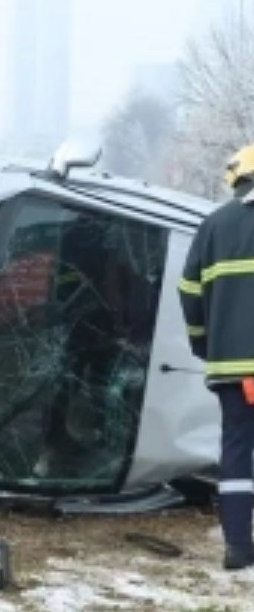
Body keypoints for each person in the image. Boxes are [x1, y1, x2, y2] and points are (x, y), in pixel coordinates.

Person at [178, 143, 254, 571]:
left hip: (231, 369)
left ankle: (238, 548)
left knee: (237, 454)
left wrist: (204, 344)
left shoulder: (214, 226)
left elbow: (189, 293)